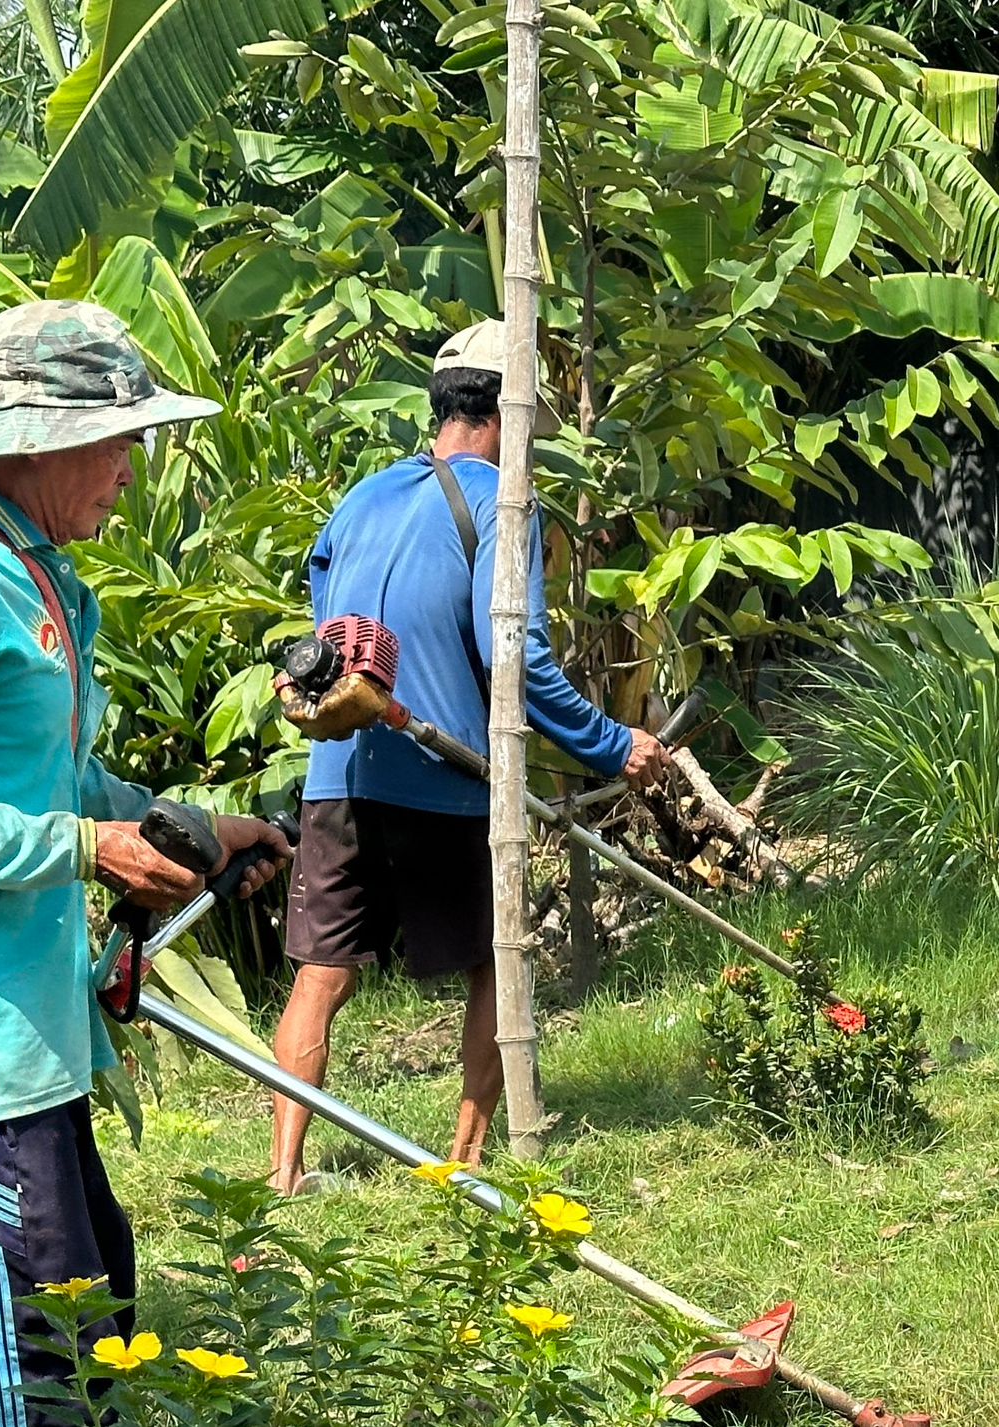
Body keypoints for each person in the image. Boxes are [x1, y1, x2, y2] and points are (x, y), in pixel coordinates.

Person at [0, 300, 292, 1427]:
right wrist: (89, 848)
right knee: (26, 1375)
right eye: (123, 438)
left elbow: (52, 781)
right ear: (40, 442)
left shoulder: (31, 578)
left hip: (30, 1038)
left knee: (92, 1329)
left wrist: (183, 822)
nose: (134, 467)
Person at [266, 319, 667, 1191]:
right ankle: (469, 1156)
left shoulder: (360, 498)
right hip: (443, 779)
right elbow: (516, 659)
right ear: (508, 413)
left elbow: (326, 623)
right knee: (494, 956)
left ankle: (282, 1175)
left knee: (322, 973)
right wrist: (611, 747)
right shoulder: (502, 503)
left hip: (337, 771)